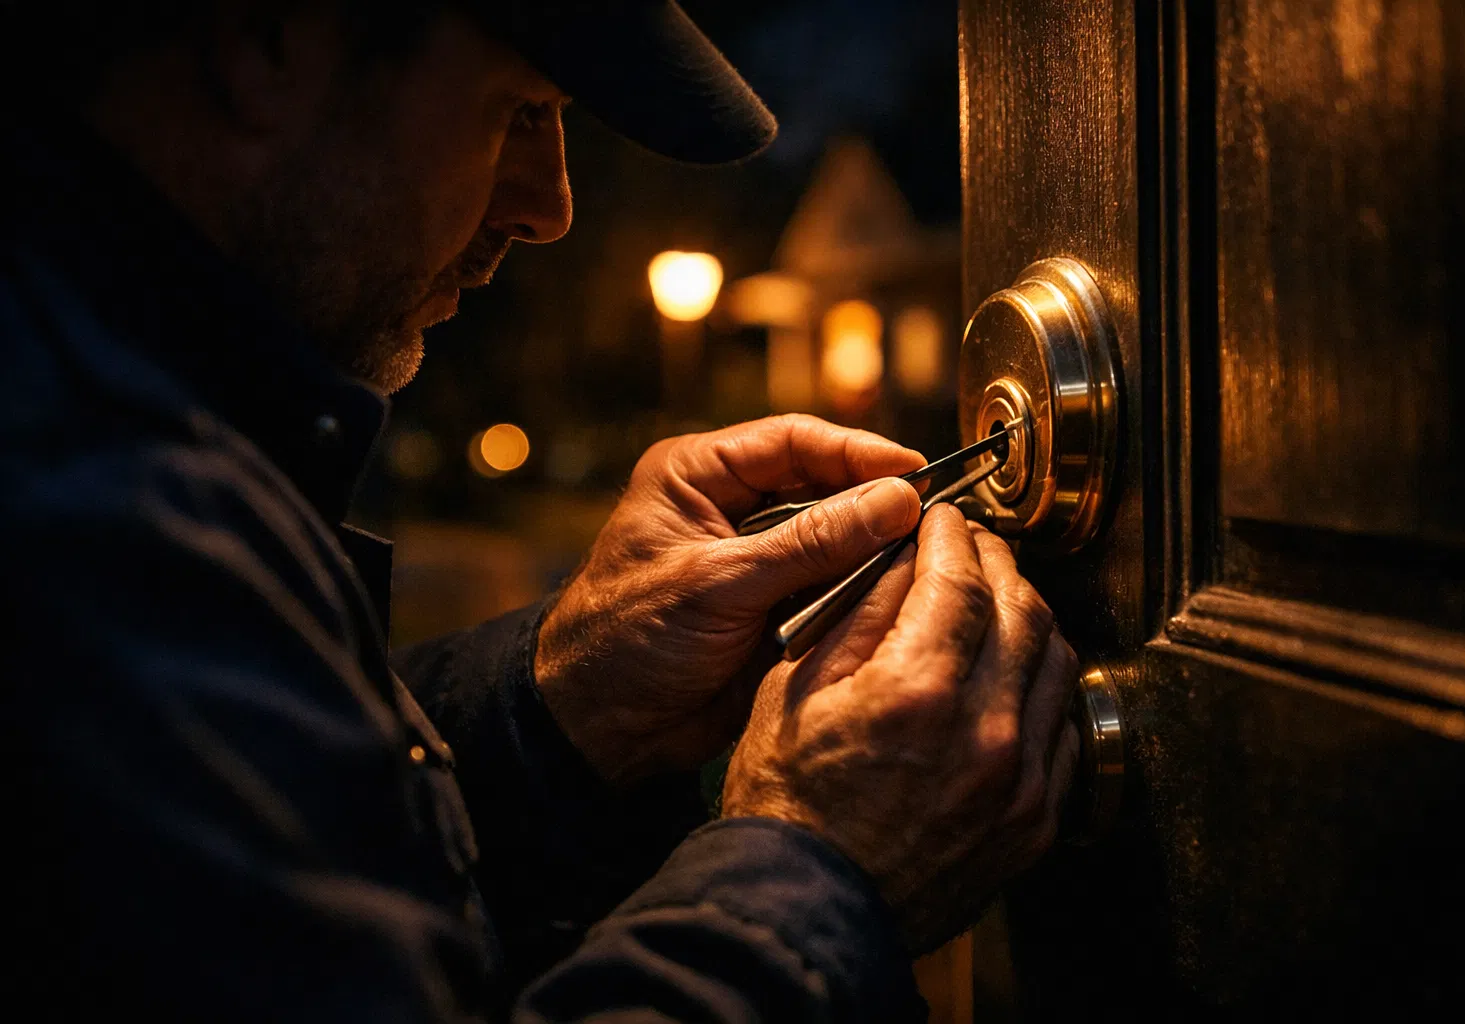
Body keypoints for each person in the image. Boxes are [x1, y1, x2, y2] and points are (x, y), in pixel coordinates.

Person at [1, 1, 1081, 1019]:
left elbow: (252, 866)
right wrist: (819, 876)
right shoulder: (81, 516)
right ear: (268, 39)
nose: (550, 206)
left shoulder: (119, 416)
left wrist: (558, 708)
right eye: (521, 111)